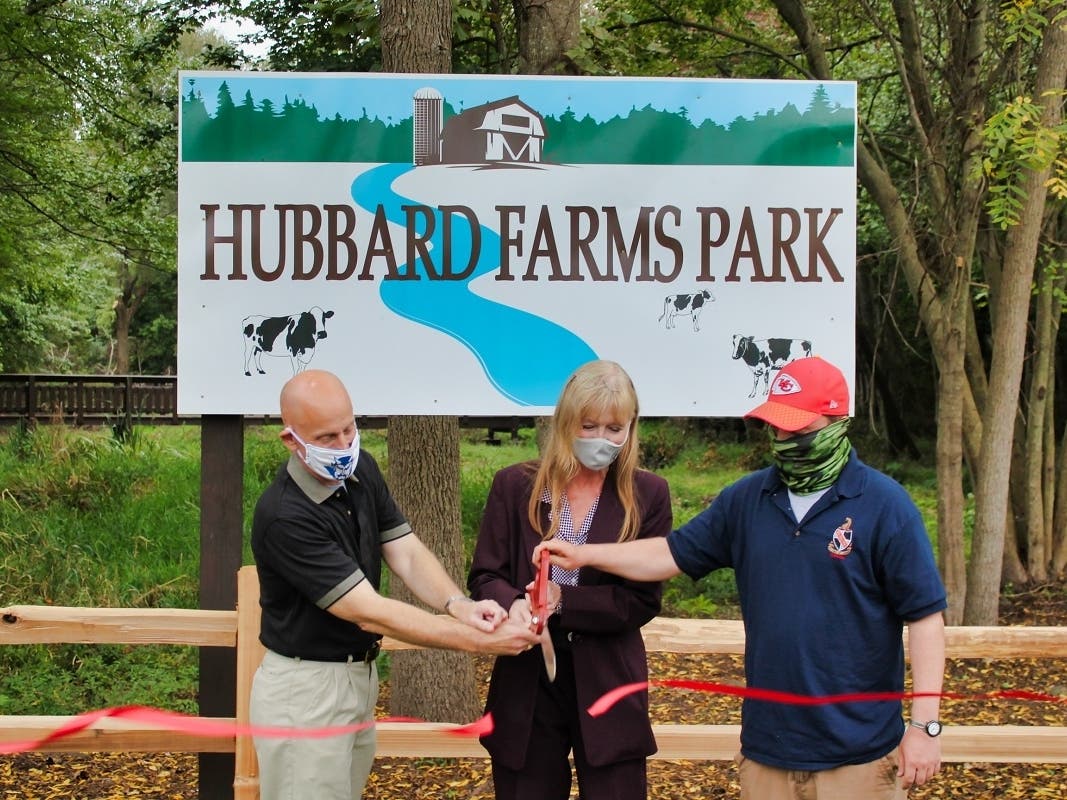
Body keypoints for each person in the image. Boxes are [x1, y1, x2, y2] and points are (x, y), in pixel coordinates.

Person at [536, 356, 947, 800]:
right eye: (778, 427)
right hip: (768, 751)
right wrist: (583, 554)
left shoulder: (885, 505)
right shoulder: (748, 499)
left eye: (800, 429)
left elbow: (925, 619)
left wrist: (925, 726)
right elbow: (669, 554)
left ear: (837, 423)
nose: (785, 439)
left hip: (860, 756)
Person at [249, 369, 539, 800]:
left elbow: (404, 549)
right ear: (292, 440)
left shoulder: (360, 468)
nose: (345, 445)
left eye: (350, 427)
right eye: (328, 438)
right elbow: (369, 609)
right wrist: (475, 642)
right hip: (305, 690)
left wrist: (458, 604)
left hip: (358, 677)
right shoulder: (284, 516)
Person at [467, 359, 673, 800]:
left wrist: (564, 600)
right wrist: (513, 604)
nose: (603, 439)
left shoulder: (648, 494)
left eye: (615, 428)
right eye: (590, 425)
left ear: (632, 427)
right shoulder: (514, 485)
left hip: (608, 676)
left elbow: (642, 600)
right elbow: (485, 574)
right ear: (565, 423)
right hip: (527, 679)